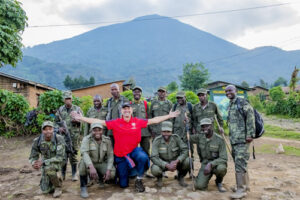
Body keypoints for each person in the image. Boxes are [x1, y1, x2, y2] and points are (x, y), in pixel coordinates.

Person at [71, 102, 180, 192]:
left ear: (131, 110)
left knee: (143, 157)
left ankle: (139, 179)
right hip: (121, 156)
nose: (126, 111)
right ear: (121, 111)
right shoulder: (116, 123)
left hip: (133, 152)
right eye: (124, 109)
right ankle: (129, 173)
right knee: (123, 184)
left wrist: (169, 116)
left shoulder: (137, 122)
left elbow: (154, 120)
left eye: (128, 109)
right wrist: (82, 118)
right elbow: (98, 121)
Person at [225, 85, 255, 199]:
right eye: (226, 91)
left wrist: (250, 135)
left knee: (239, 163)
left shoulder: (242, 102)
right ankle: (245, 185)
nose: (228, 92)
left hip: (243, 139)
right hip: (234, 140)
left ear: (236, 91)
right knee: (241, 163)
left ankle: (241, 190)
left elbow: (250, 117)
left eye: (230, 90)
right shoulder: (231, 104)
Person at [29, 121, 65, 198]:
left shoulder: (59, 138)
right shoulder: (37, 140)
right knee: (45, 190)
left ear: (53, 129)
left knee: (49, 168)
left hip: (57, 163)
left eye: (50, 129)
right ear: (42, 130)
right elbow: (32, 156)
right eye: (45, 129)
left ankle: (58, 187)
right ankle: (56, 179)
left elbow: (60, 157)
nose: (48, 131)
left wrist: (44, 162)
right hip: (44, 165)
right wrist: (34, 163)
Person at [190, 118, 227, 192]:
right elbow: (187, 138)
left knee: (221, 169)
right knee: (199, 186)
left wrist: (211, 164)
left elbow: (224, 158)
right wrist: (186, 126)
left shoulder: (219, 140)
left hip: (217, 164)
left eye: (207, 126)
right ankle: (201, 178)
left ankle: (219, 181)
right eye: (203, 126)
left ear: (212, 126)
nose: (204, 128)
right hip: (205, 164)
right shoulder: (200, 137)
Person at [79, 123, 115, 198]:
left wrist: (108, 170)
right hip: (90, 163)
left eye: (99, 130)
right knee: (82, 164)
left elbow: (110, 156)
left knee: (112, 173)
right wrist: (91, 167)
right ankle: (83, 186)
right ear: (91, 131)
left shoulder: (107, 140)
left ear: (102, 131)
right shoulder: (86, 139)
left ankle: (100, 179)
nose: (97, 132)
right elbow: (84, 153)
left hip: (101, 163)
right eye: (94, 130)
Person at [151, 121, 190, 188]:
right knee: (155, 169)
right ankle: (159, 178)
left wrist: (177, 161)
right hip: (163, 165)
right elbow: (154, 157)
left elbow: (185, 150)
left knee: (188, 161)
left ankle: (180, 176)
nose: (166, 133)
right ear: (161, 132)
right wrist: (166, 165)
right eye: (164, 131)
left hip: (176, 163)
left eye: (168, 131)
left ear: (171, 132)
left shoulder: (176, 138)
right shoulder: (157, 140)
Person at [55, 91, 83, 181]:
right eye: (66, 99)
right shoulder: (60, 110)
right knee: (63, 156)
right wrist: (59, 129)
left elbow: (83, 120)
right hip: (63, 137)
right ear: (64, 100)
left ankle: (74, 174)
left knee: (73, 155)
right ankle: (63, 174)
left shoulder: (77, 109)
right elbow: (55, 122)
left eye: (69, 98)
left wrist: (77, 121)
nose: (68, 100)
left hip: (74, 137)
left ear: (72, 99)